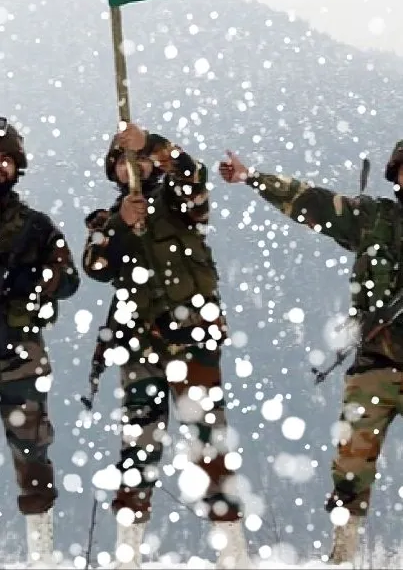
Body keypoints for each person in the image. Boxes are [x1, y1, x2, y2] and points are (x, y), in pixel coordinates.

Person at [219, 143, 403, 565]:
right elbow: (310, 202)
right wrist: (253, 178)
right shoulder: (373, 219)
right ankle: (343, 554)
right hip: (374, 365)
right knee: (350, 471)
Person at [83, 123, 250, 570]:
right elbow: (94, 266)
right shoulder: (107, 220)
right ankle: (128, 554)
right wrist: (121, 223)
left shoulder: (181, 205)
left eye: (135, 158)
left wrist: (154, 145)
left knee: (208, 444)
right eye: (121, 160)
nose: (130, 166)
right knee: (139, 447)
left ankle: (233, 552)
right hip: (140, 348)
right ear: (112, 171)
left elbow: (194, 176)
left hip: (193, 341)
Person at [0, 118, 80, 564]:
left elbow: (70, 280)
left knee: (32, 459)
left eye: (5, 161)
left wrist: (38, 283)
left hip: (19, 359)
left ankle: (40, 556)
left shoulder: (36, 227)